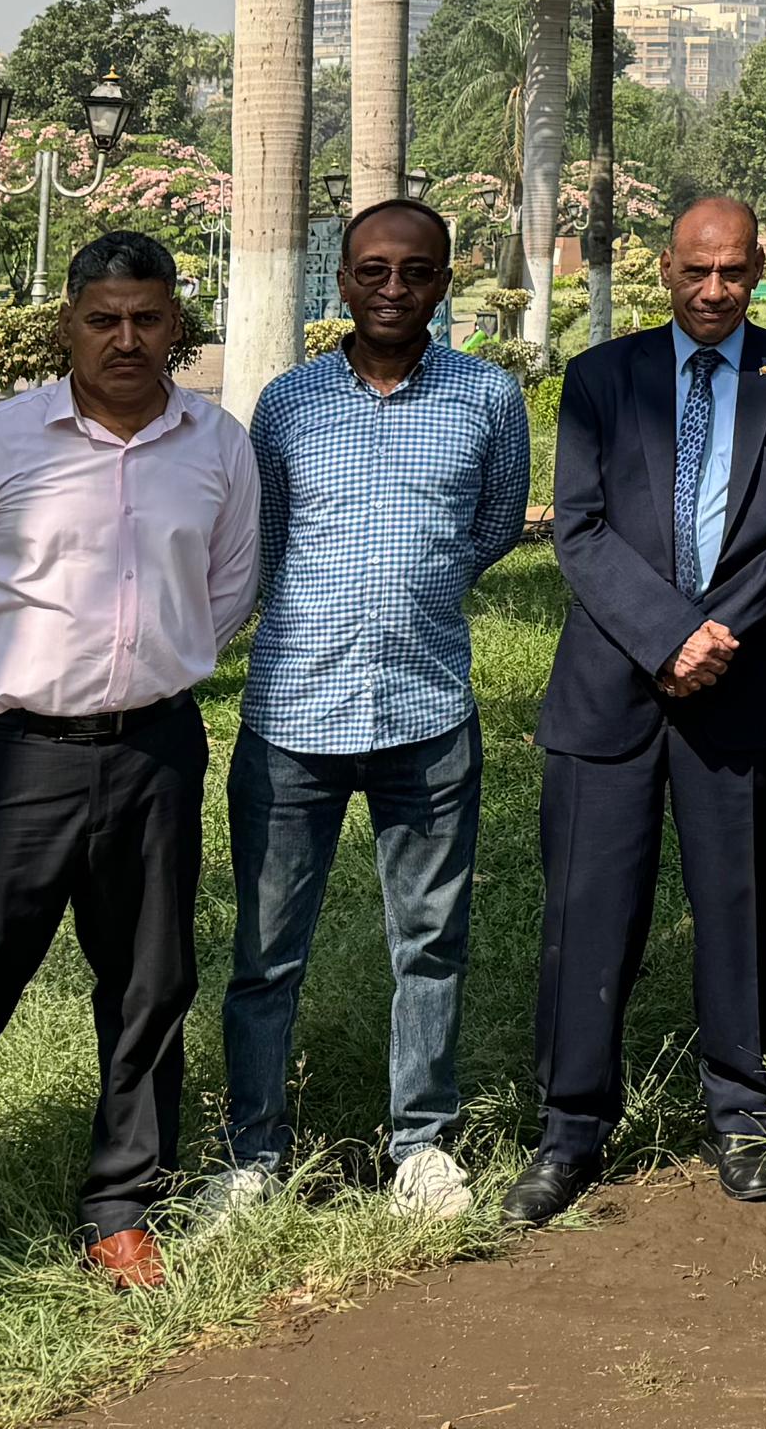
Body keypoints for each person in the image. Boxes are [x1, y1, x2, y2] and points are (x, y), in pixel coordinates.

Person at [0, 230, 261, 1287]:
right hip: (9, 763)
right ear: (68, 327)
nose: (127, 340)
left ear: (177, 324)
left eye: (148, 318)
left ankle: (122, 1206)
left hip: (153, 751)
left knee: (150, 986)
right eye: (104, 320)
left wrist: (154, 667)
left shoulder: (217, 446)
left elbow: (228, 588)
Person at [515, 196, 766, 1224]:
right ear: (665, 267)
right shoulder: (601, 379)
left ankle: (741, 1114)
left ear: (761, 274)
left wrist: (714, 636)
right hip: (610, 686)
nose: (714, 292)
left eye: (736, 274)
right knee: (587, 910)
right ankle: (570, 1129)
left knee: (737, 903)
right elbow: (576, 528)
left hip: (744, 680)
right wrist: (665, 634)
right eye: (696, 272)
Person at [220, 197, 530, 1217]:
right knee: (267, 953)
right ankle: (254, 1157)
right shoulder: (288, 404)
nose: (393, 288)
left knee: (430, 942)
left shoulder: (487, 399)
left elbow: (489, 528)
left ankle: (422, 1147)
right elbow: (263, 541)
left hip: (426, 710)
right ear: (342, 280)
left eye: (416, 271)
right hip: (291, 716)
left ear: (445, 280)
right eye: (372, 271)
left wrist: (420, 588)